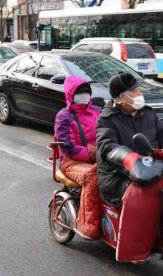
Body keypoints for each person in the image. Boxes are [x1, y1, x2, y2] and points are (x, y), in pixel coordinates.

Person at [96, 72, 163, 207]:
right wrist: (132, 160)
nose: (140, 93)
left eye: (139, 89)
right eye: (135, 91)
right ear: (123, 97)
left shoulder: (147, 113)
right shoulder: (107, 119)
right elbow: (108, 147)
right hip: (119, 178)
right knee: (147, 194)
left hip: (153, 169)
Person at [54, 75, 102, 238]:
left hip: (101, 157)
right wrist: (94, 154)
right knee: (93, 176)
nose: (84, 96)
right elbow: (69, 148)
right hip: (72, 162)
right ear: (71, 95)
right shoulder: (64, 116)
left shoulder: (97, 111)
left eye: (86, 92)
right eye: (79, 93)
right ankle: (89, 224)